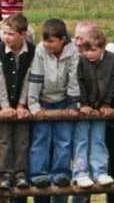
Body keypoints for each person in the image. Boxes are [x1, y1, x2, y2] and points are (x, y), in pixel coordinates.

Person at [24, 17, 80, 190]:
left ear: (62, 40)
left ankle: (61, 172)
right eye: (44, 40)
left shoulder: (72, 51)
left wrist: (73, 103)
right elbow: (35, 76)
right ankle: (38, 174)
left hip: (63, 100)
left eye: (51, 41)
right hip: (44, 99)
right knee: (41, 138)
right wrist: (33, 104)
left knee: (64, 139)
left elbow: (73, 78)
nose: (47, 44)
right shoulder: (41, 50)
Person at [0, 15, 34, 193]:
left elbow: (30, 78)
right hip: (3, 102)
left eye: (11, 34)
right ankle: (4, 174)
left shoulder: (32, 52)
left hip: (23, 102)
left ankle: (21, 173)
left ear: (22, 35)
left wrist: (22, 103)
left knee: (22, 139)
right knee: (4, 139)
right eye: (4, 33)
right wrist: (5, 105)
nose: (6, 37)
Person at [72, 22, 114, 192]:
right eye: (86, 50)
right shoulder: (80, 60)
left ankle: (99, 171)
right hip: (84, 107)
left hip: (100, 106)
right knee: (82, 140)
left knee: (98, 139)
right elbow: (79, 82)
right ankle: (80, 172)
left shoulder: (112, 60)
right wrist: (83, 104)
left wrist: (106, 103)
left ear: (102, 48)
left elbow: (112, 81)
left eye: (93, 50)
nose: (89, 54)